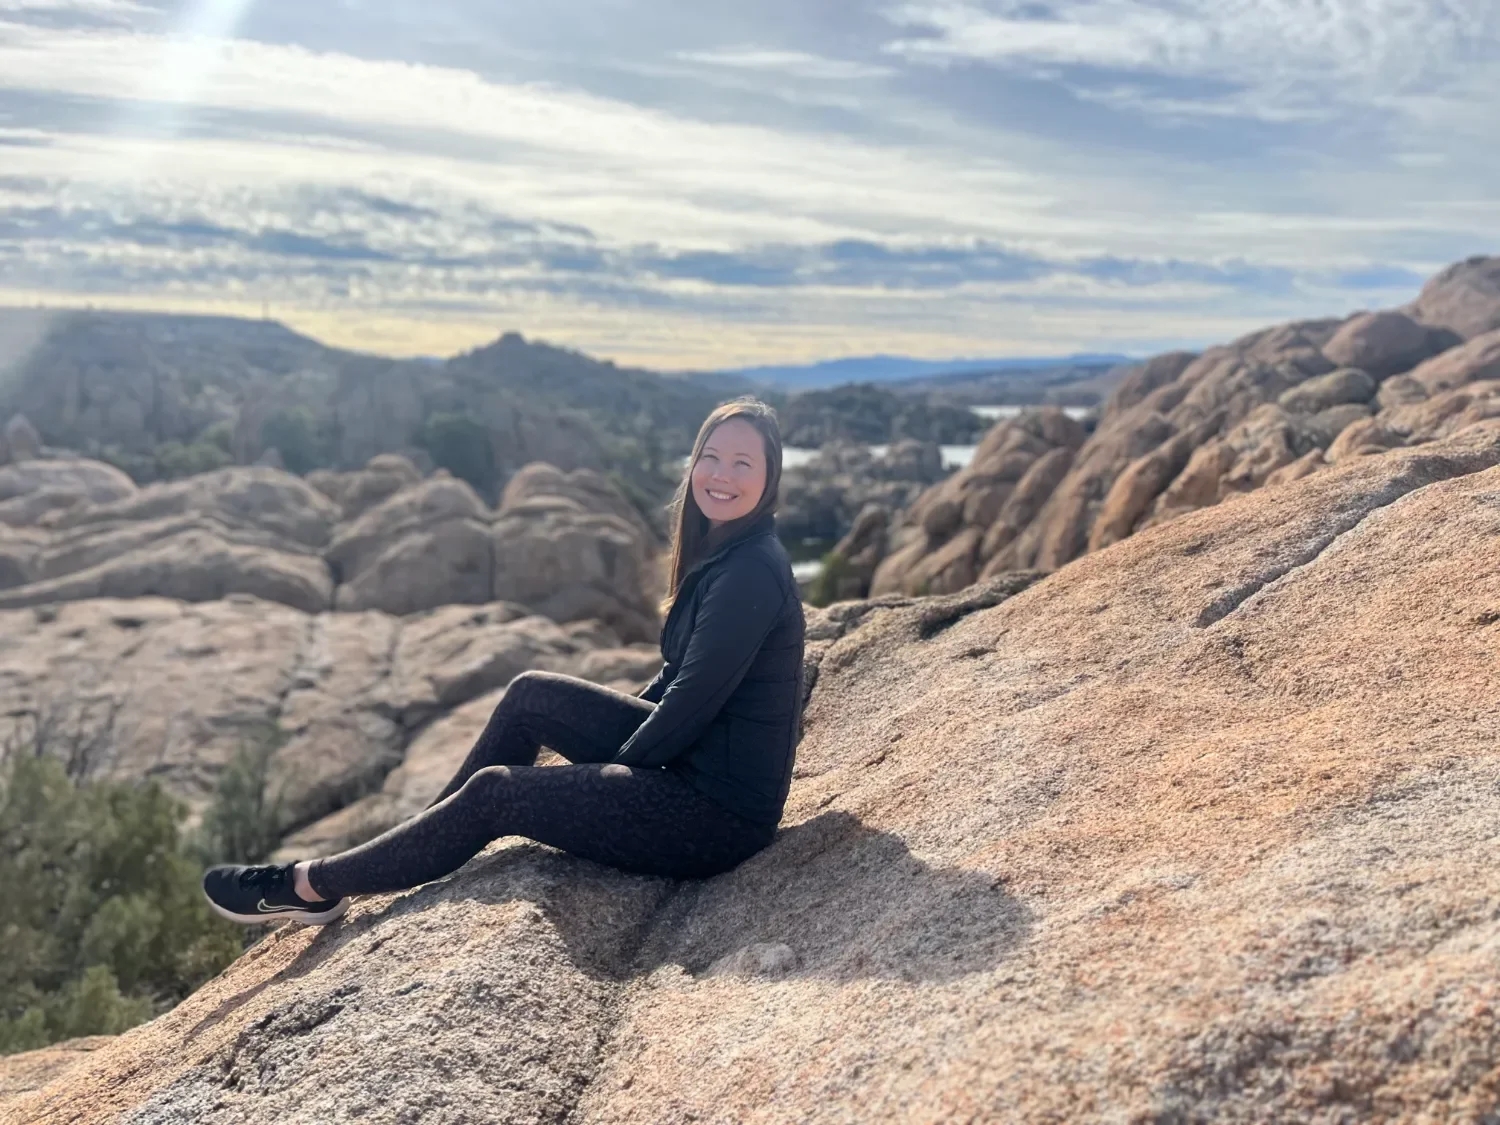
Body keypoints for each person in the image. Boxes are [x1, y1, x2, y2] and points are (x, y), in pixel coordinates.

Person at [202, 398, 806, 926]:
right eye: (712, 457)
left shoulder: (750, 570)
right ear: (694, 462)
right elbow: (675, 684)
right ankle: (421, 838)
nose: (721, 475)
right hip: (692, 769)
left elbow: (689, 708)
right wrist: (607, 762)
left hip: (716, 819)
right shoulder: (729, 555)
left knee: (497, 793)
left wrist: (604, 779)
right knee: (531, 693)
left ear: (769, 479)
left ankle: (310, 886)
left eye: (743, 464)